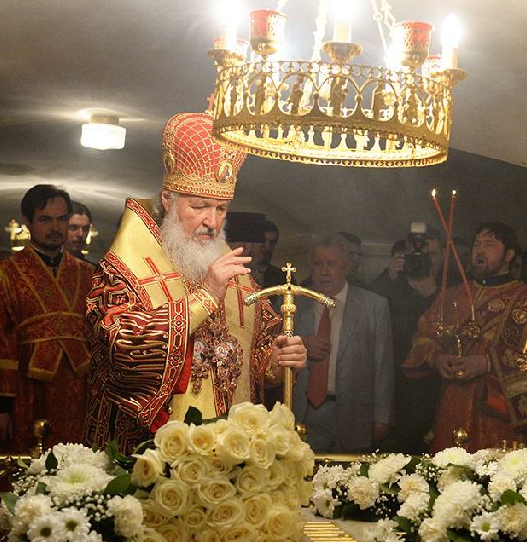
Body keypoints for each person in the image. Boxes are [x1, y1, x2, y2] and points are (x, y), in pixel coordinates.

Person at [84, 111, 306, 451]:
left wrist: (274, 364)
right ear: (168, 200)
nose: (212, 222)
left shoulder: (235, 270)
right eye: (200, 206)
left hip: (231, 447)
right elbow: (120, 350)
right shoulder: (125, 269)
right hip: (155, 449)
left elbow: (251, 350)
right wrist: (206, 295)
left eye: (221, 209)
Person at [0, 185, 95, 453]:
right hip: (27, 389)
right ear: (28, 221)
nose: (55, 227)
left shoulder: (88, 274)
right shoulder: (4, 274)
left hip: (79, 390)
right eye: (46, 219)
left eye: (61, 219)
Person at [404, 222, 527, 452]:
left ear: (509, 255)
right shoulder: (452, 295)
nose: (480, 250)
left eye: (489, 244)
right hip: (451, 405)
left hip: (497, 411)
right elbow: (423, 336)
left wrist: (487, 363)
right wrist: (437, 359)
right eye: (477, 244)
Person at [293, 234, 393, 453]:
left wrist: (382, 417)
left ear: (347, 267)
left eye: (331, 264)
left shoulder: (373, 306)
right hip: (303, 413)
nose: (323, 271)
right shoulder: (293, 303)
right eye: (318, 264)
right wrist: (302, 345)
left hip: (354, 414)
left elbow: (383, 366)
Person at [368, 229, 445, 453]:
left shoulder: (454, 289)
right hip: (396, 389)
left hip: (436, 388)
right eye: (417, 255)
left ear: (443, 256)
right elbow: (366, 309)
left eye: (432, 255)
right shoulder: (389, 289)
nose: (423, 260)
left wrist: (433, 294)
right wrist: (390, 277)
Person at [254, 219, 287, 289]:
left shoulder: (283, 278)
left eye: (272, 242)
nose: (267, 247)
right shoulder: (240, 273)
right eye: (263, 241)